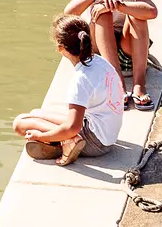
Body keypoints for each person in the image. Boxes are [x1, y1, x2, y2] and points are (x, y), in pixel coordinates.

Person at [15, 14, 124, 164]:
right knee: (36, 113)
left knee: (20, 124)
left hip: (96, 143)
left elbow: (73, 127)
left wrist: (40, 136)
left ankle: (68, 142)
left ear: (61, 48)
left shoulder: (81, 78)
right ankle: (66, 141)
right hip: (106, 132)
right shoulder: (99, 62)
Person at [62, 0, 158, 110]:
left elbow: (151, 11)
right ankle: (117, 84)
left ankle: (139, 85)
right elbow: (67, 13)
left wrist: (120, 5)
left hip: (127, 52)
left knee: (138, 15)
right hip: (99, 52)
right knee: (101, 10)